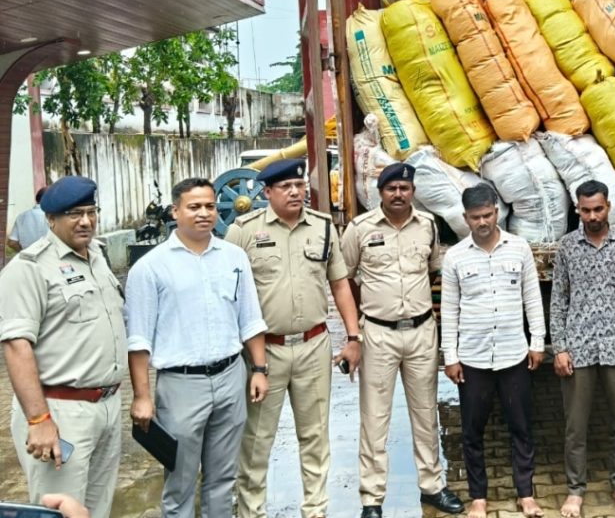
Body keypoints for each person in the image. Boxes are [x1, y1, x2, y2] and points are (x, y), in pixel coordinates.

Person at [125, 177, 269, 518]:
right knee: (180, 482)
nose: (204, 213)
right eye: (194, 207)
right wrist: (142, 396)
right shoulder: (150, 267)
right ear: (176, 211)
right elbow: (139, 340)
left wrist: (259, 369)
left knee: (223, 480)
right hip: (181, 386)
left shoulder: (234, 257)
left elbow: (250, 318)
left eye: (209, 206)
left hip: (231, 377)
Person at [225, 158, 362, 518]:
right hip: (264, 352)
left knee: (315, 436)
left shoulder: (322, 227)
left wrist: (353, 337)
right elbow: (228, 294)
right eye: (285, 187)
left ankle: (315, 509)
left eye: (299, 186)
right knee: (256, 440)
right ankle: (252, 511)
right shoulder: (243, 232)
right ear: (267, 192)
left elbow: (340, 285)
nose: (295, 192)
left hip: (313, 346)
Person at [340, 162, 464, 518]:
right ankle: (372, 499)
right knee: (374, 418)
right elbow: (345, 279)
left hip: (422, 332)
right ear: (380, 192)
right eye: (391, 188)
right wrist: (355, 332)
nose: (398, 194)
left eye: (404, 188)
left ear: (413, 192)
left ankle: (432, 486)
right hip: (378, 334)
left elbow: (432, 271)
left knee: (425, 413)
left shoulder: (427, 225)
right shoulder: (360, 229)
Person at [0, 176, 127, 518]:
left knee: (95, 509)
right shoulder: (29, 269)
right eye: (74, 214)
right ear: (50, 219)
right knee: (60, 510)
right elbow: (16, 347)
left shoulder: (97, 256)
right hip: (61, 411)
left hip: (107, 404)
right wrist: (38, 419)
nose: (86, 221)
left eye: (91, 212)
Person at [441, 184, 546, 518]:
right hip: (473, 358)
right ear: (465, 218)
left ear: (497, 212)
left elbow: (532, 298)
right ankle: (478, 498)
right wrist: (450, 357)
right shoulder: (455, 256)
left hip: (514, 354)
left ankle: (526, 494)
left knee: (521, 427)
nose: (483, 222)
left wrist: (537, 342)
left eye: (488, 215)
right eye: (476, 217)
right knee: (472, 431)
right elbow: (449, 310)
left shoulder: (519, 248)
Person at [550, 179, 615, 518]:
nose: (592, 216)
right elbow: (558, 300)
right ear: (577, 210)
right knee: (575, 426)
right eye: (585, 210)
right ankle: (575, 491)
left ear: (608, 207)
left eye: (598, 209)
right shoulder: (567, 246)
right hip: (578, 347)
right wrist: (560, 348)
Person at [7, 187, 49, 253]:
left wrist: (24, 252)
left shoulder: (21, 216)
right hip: (50, 256)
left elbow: (12, 243)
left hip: (28, 256)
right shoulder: (55, 217)